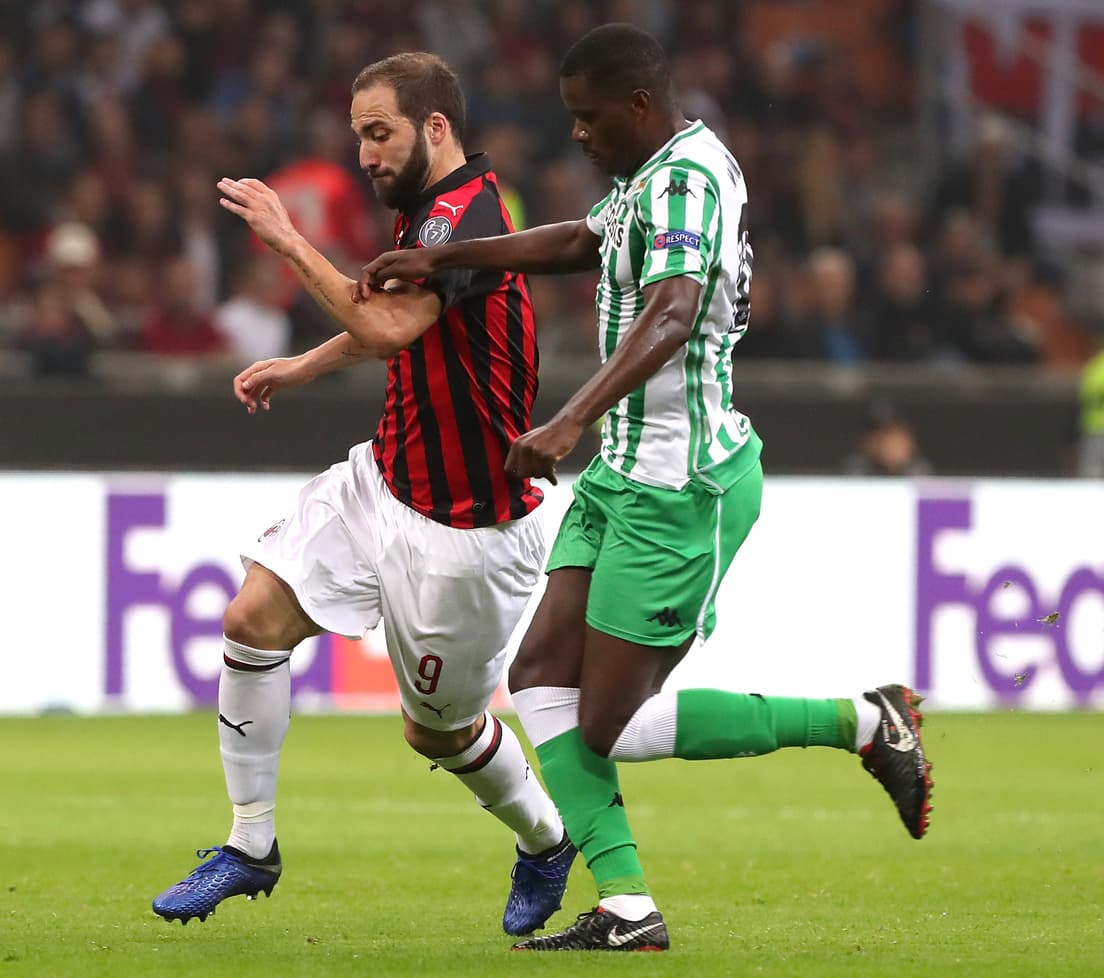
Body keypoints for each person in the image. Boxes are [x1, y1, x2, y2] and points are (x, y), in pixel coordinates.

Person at [358, 24, 935, 952]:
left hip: (682, 483)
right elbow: (580, 243)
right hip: (622, 473)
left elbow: (674, 309)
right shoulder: (645, 176)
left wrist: (570, 416)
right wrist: (447, 259)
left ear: (636, 105)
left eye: (588, 119)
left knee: (607, 724)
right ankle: (627, 908)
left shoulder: (690, 181)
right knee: (539, 678)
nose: (577, 136)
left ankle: (865, 723)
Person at [151, 52, 573, 938]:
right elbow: (392, 321)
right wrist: (304, 365)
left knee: (440, 736)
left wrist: (285, 236)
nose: (367, 155)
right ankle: (249, 845)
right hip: (383, 477)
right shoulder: (427, 215)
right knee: (250, 620)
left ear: (436, 128)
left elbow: (385, 321)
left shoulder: (472, 212)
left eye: (380, 134)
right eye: (358, 138)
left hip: (468, 529)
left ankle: (545, 838)